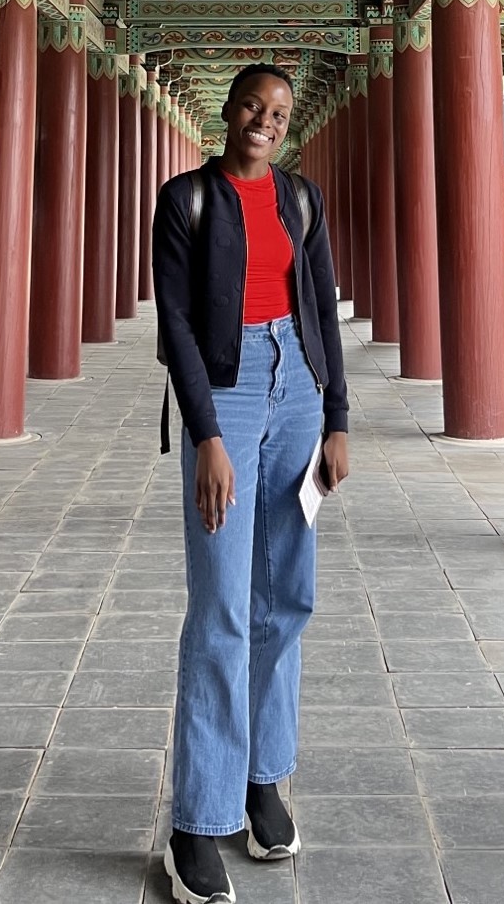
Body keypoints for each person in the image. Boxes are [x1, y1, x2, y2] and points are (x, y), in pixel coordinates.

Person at [152, 63, 349, 903]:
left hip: (297, 388)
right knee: (222, 611)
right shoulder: (184, 198)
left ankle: (263, 779)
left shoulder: (300, 201)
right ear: (228, 111)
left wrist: (337, 415)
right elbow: (176, 323)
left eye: (278, 112)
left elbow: (324, 308)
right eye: (251, 107)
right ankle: (196, 822)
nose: (263, 122)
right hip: (226, 394)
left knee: (286, 601)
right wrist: (206, 437)